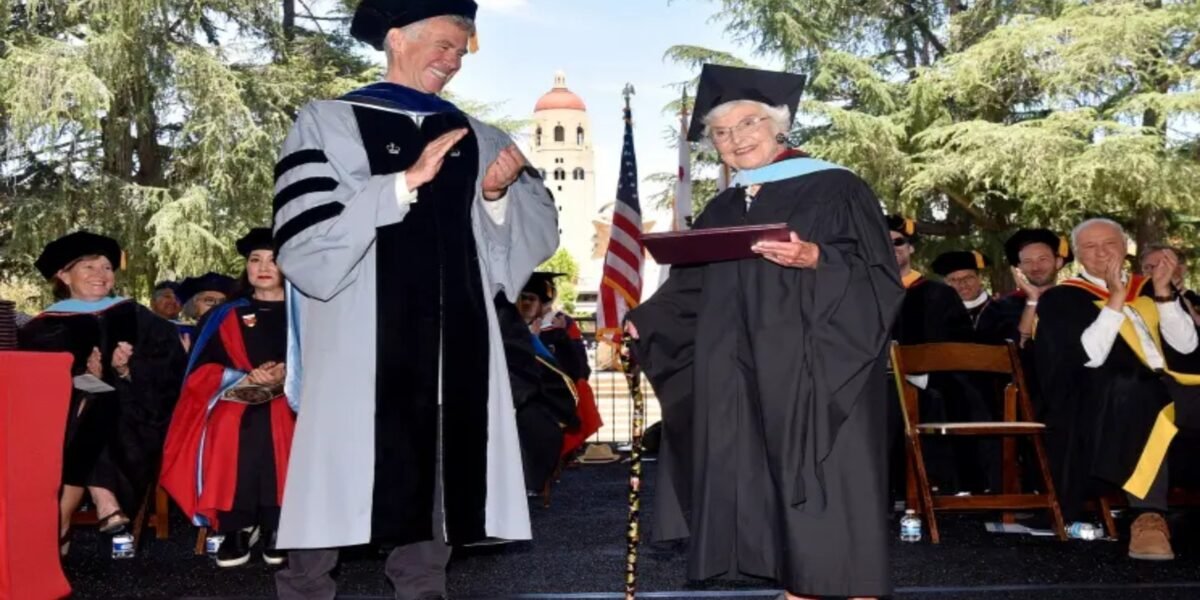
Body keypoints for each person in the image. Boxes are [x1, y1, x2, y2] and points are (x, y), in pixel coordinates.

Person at [269, 1, 558, 597]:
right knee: (336, 473)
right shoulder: (328, 121)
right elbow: (304, 241)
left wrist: (496, 194)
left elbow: (525, 244)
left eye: (461, 50)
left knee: (438, 475)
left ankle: (424, 591)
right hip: (361, 343)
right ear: (397, 38)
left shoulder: (479, 136)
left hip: (457, 347)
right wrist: (401, 184)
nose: (452, 61)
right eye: (445, 44)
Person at [625, 64, 903, 600]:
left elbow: (876, 276)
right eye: (721, 133)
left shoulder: (835, 187)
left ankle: (849, 587)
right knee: (755, 469)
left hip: (817, 365)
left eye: (748, 123)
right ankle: (798, 586)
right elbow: (691, 290)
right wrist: (643, 321)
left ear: (780, 125)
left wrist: (817, 258)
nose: (735, 139)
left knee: (828, 477)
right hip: (740, 368)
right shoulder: (725, 206)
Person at [1034, 218, 1199, 561]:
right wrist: (1115, 300)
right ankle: (1148, 518)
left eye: (1109, 244)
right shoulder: (1062, 299)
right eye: (1090, 247)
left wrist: (1166, 295)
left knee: (1156, 390)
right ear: (1077, 256)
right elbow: (1087, 359)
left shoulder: (1152, 287)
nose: (1101, 253)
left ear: (1125, 249)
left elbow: (1186, 350)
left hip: (1172, 388)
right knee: (1139, 391)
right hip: (1104, 402)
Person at [17, 231, 186, 554]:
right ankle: (99, 500)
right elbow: (34, 385)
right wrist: (80, 377)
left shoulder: (137, 316)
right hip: (63, 423)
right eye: (89, 267)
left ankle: (64, 522)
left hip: (137, 420)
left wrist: (126, 370)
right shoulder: (43, 327)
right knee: (92, 404)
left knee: (100, 404)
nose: (101, 275)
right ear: (63, 275)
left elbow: (171, 372)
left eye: (107, 267)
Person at [160, 228, 296, 568]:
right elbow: (200, 372)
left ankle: (278, 524)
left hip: (296, 395)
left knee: (278, 417)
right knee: (232, 421)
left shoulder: (307, 311)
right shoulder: (224, 315)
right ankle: (235, 524)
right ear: (246, 267)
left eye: (273, 260)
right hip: (234, 394)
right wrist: (245, 377)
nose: (263, 267)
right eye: (255, 260)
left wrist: (288, 374)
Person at [518, 272, 602, 457]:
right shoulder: (512, 325)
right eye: (523, 298)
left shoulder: (561, 325)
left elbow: (579, 368)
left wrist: (560, 337)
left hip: (554, 397)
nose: (526, 304)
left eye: (532, 299)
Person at [931, 250, 1013, 343]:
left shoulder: (1005, 310)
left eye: (968, 277)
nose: (962, 284)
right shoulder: (939, 316)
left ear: (980, 278)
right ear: (946, 283)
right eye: (954, 280)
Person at [1140, 243, 1200, 326]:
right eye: (1147, 267)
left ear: (1181, 269)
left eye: (1162, 266)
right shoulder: (1136, 302)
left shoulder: (1195, 302)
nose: (1153, 272)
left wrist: (1192, 313)